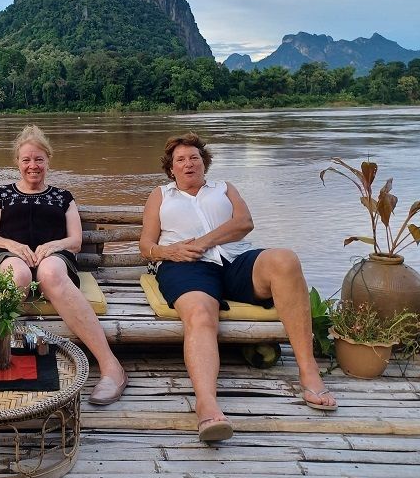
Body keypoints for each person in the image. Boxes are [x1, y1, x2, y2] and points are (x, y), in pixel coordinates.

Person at [139, 132, 337, 442]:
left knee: (285, 260)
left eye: (194, 158)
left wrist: (206, 241)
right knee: (202, 315)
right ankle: (206, 403)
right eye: (180, 160)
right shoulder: (161, 195)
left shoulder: (224, 189)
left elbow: (244, 223)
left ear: (205, 163)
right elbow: (146, 245)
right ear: (171, 168)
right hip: (185, 267)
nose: (188, 164)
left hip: (233, 261)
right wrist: (170, 252)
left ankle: (308, 370)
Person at [0, 125, 127, 405]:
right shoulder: (1, 194)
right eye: (26, 160)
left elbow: (75, 240)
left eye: (38, 160)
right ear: (17, 163)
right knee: (18, 272)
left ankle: (111, 366)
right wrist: (13, 246)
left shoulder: (63, 197)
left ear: (48, 161)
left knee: (49, 271)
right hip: (7, 259)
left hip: (54, 260)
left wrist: (52, 246)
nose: (32, 166)